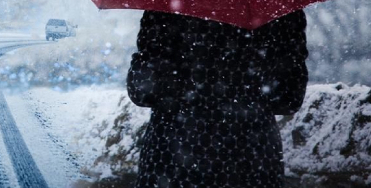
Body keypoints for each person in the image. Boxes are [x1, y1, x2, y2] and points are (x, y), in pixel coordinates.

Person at [127, 10, 309, 188]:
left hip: (173, 159)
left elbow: (142, 92)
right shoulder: (277, 6)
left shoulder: (167, 5)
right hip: (252, 160)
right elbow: (288, 99)